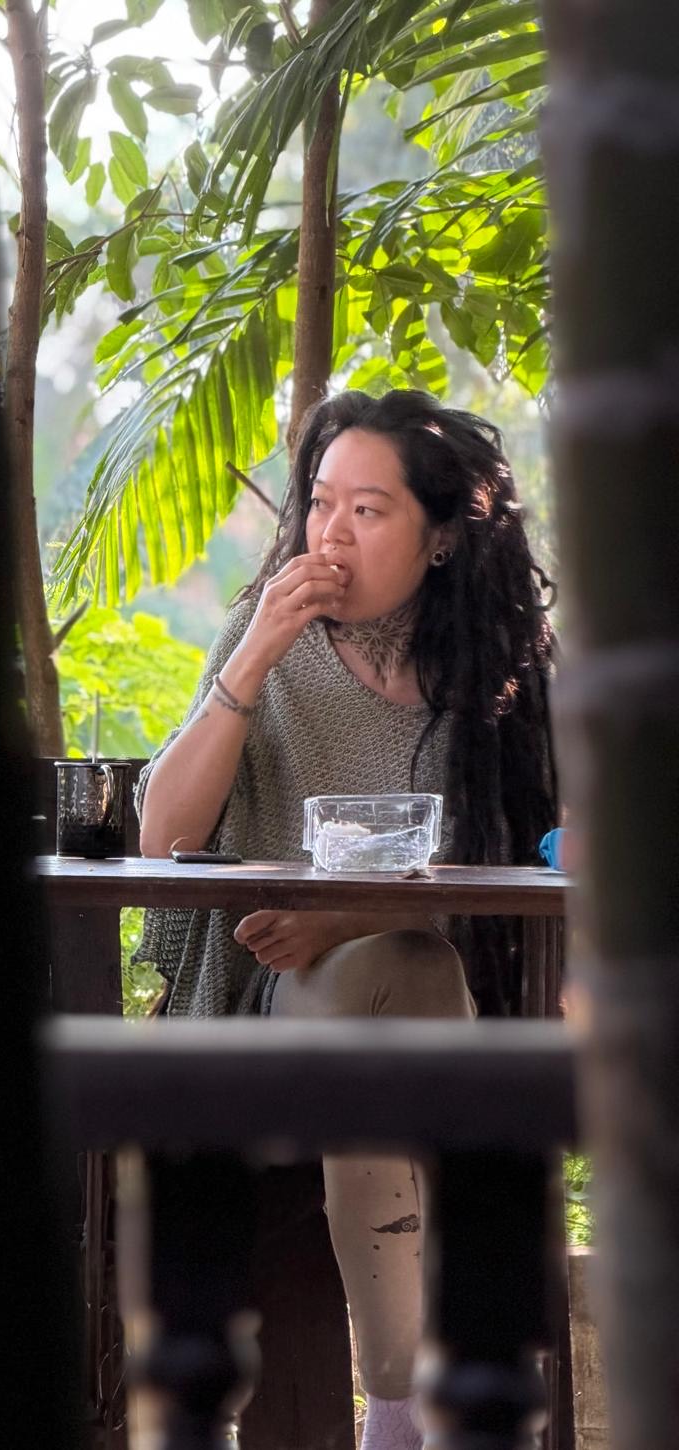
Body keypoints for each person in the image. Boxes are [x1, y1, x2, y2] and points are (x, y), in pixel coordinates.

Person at [135, 389, 558, 1450]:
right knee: (393, 975)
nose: (331, 532)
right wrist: (253, 654)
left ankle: (403, 1407)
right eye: (321, 503)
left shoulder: (494, 676)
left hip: (437, 1004)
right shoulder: (265, 633)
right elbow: (160, 836)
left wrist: (345, 914)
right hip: (254, 1002)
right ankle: (410, 1412)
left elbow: (524, 866)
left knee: (401, 964)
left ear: (445, 535)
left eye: (368, 511)